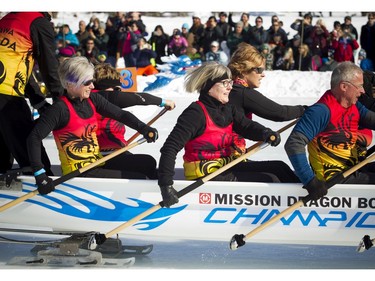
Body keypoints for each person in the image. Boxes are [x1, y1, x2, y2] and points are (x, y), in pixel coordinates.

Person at [26, 56, 158, 195]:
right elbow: (33, 138)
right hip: (78, 174)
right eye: (87, 82)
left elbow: (120, 115)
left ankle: (161, 194)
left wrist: (143, 128)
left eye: (92, 81)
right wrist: (40, 174)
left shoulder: (92, 99)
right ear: (70, 84)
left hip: (97, 162)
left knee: (147, 163)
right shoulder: (59, 109)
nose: (93, 86)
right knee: (137, 180)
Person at [157, 62, 282, 208]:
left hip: (226, 166)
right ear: (209, 86)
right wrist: (166, 186)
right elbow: (170, 148)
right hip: (205, 176)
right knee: (270, 179)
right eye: (224, 83)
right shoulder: (195, 114)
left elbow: (246, 126)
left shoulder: (227, 109)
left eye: (230, 82)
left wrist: (265, 133)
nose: (230, 87)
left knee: (279, 168)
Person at [285, 62, 375, 201]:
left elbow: (372, 119)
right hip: (332, 180)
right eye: (359, 86)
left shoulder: (354, 105)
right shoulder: (321, 111)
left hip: (351, 170)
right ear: (344, 86)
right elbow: (294, 143)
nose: (363, 91)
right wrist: (310, 181)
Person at [227, 42, 304, 183]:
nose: (263, 75)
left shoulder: (230, 88)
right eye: (259, 70)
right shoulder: (242, 93)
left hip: (230, 157)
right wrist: (305, 110)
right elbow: (280, 113)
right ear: (244, 70)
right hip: (228, 160)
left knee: (279, 169)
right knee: (279, 170)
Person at [0, 12, 64, 175]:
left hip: (6, 91)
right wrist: (61, 100)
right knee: (34, 161)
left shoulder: (7, 18)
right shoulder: (38, 22)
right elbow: (49, 65)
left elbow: (20, 68)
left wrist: (38, 100)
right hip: (7, 97)